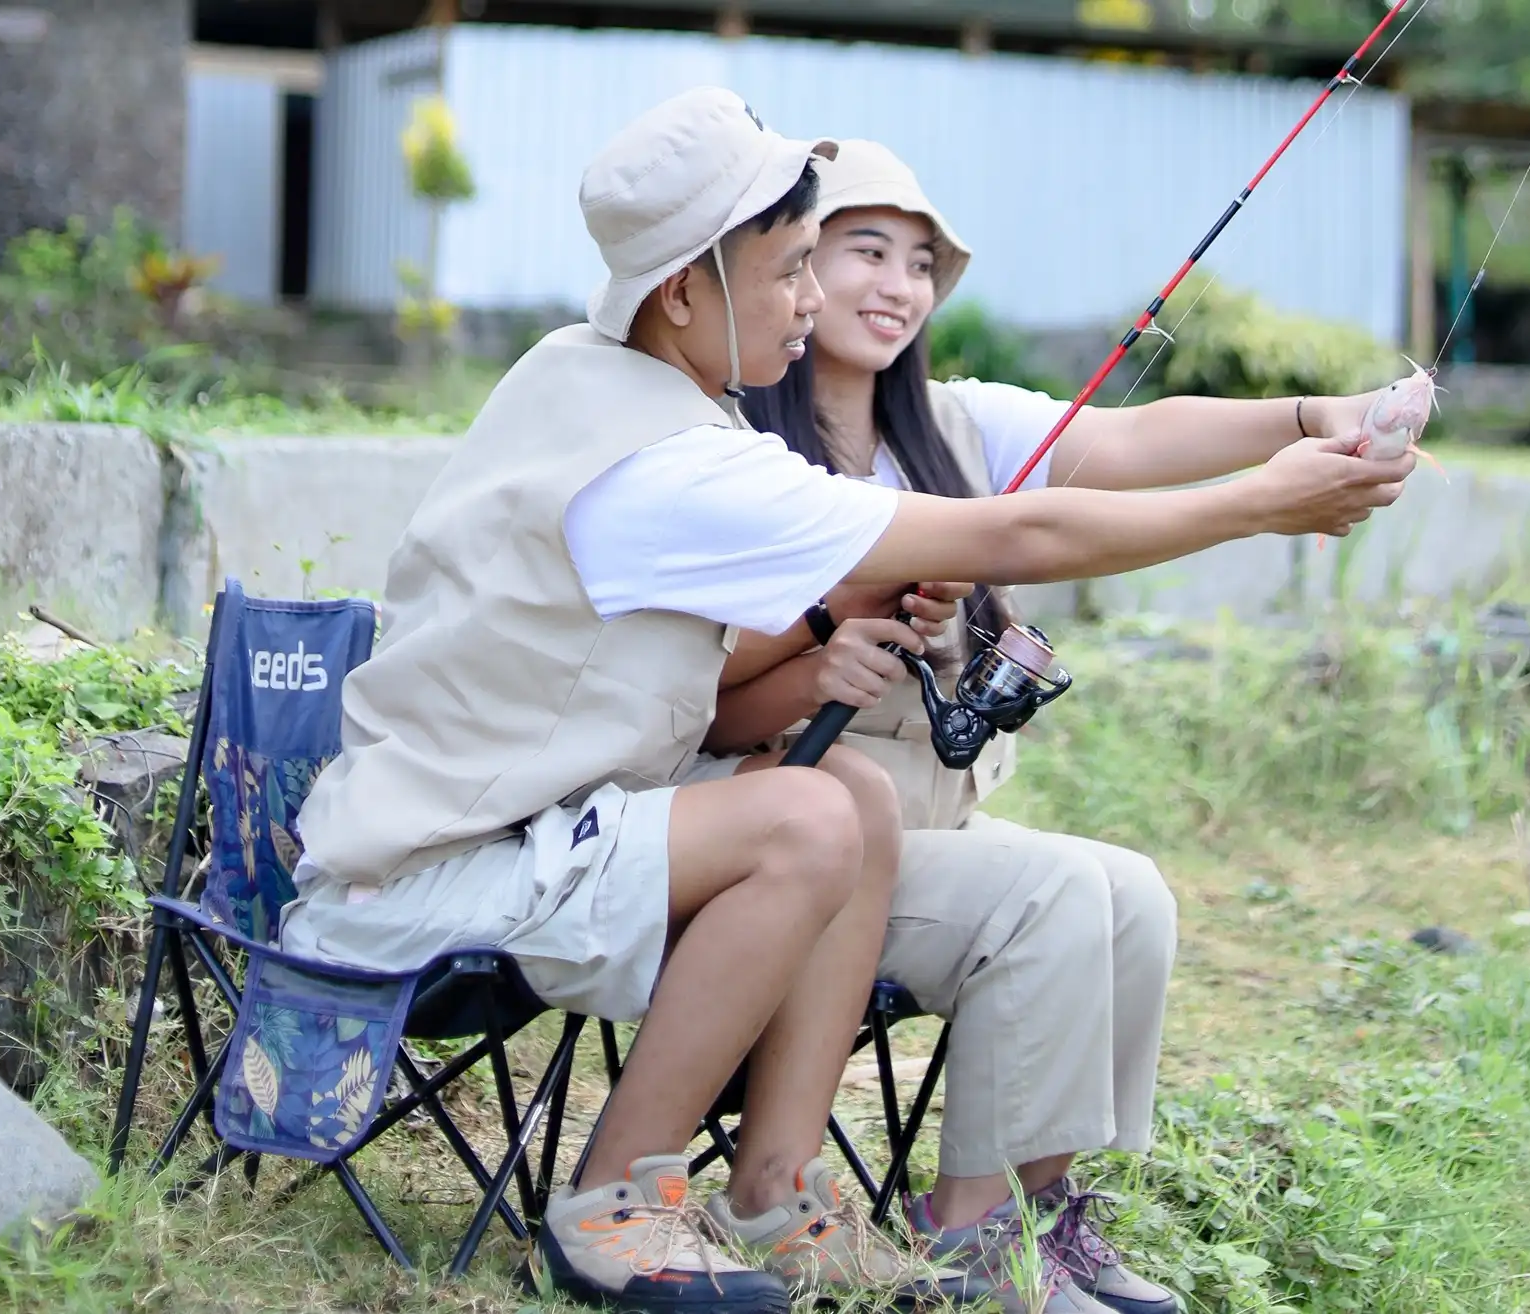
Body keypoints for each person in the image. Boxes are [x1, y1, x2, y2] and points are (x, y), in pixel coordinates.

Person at [283, 88, 1416, 1314]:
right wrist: (1262, 505)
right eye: (795, 270)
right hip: (434, 879)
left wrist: (1302, 430)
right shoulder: (677, 462)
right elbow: (1021, 532)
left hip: (547, 834)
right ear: (684, 292)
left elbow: (1081, 473)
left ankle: (773, 1195)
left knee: (855, 798)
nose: (816, 298)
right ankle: (614, 1204)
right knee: (815, 813)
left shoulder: (596, 377)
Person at [713, 139, 1428, 1314]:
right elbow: (715, 683)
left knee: (1131, 892)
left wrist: (1321, 414)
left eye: (922, 265)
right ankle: (972, 1238)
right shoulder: (742, 452)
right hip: (806, 833)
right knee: (1046, 897)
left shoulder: (957, 425)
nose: (898, 285)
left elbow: (1136, 441)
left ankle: (1039, 1213)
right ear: (793, 267)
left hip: (932, 821)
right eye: (865, 252)